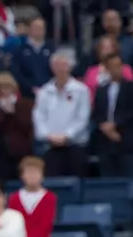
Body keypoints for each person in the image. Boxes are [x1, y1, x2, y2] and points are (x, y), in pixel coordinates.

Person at [32, 49, 88, 178]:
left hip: (75, 145)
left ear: (70, 67)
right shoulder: (44, 92)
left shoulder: (81, 90)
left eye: (64, 65)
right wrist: (48, 135)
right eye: (57, 65)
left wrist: (66, 136)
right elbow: (38, 117)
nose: (60, 69)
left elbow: (82, 118)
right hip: (50, 146)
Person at [89, 51, 133, 176]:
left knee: (127, 174)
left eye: (118, 66)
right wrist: (105, 128)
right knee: (107, 174)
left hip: (126, 137)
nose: (116, 69)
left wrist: (115, 124)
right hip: (105, 139)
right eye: (112, 66)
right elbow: (97, 113)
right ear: (107, 69)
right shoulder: (101, 89)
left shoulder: (132, 87)